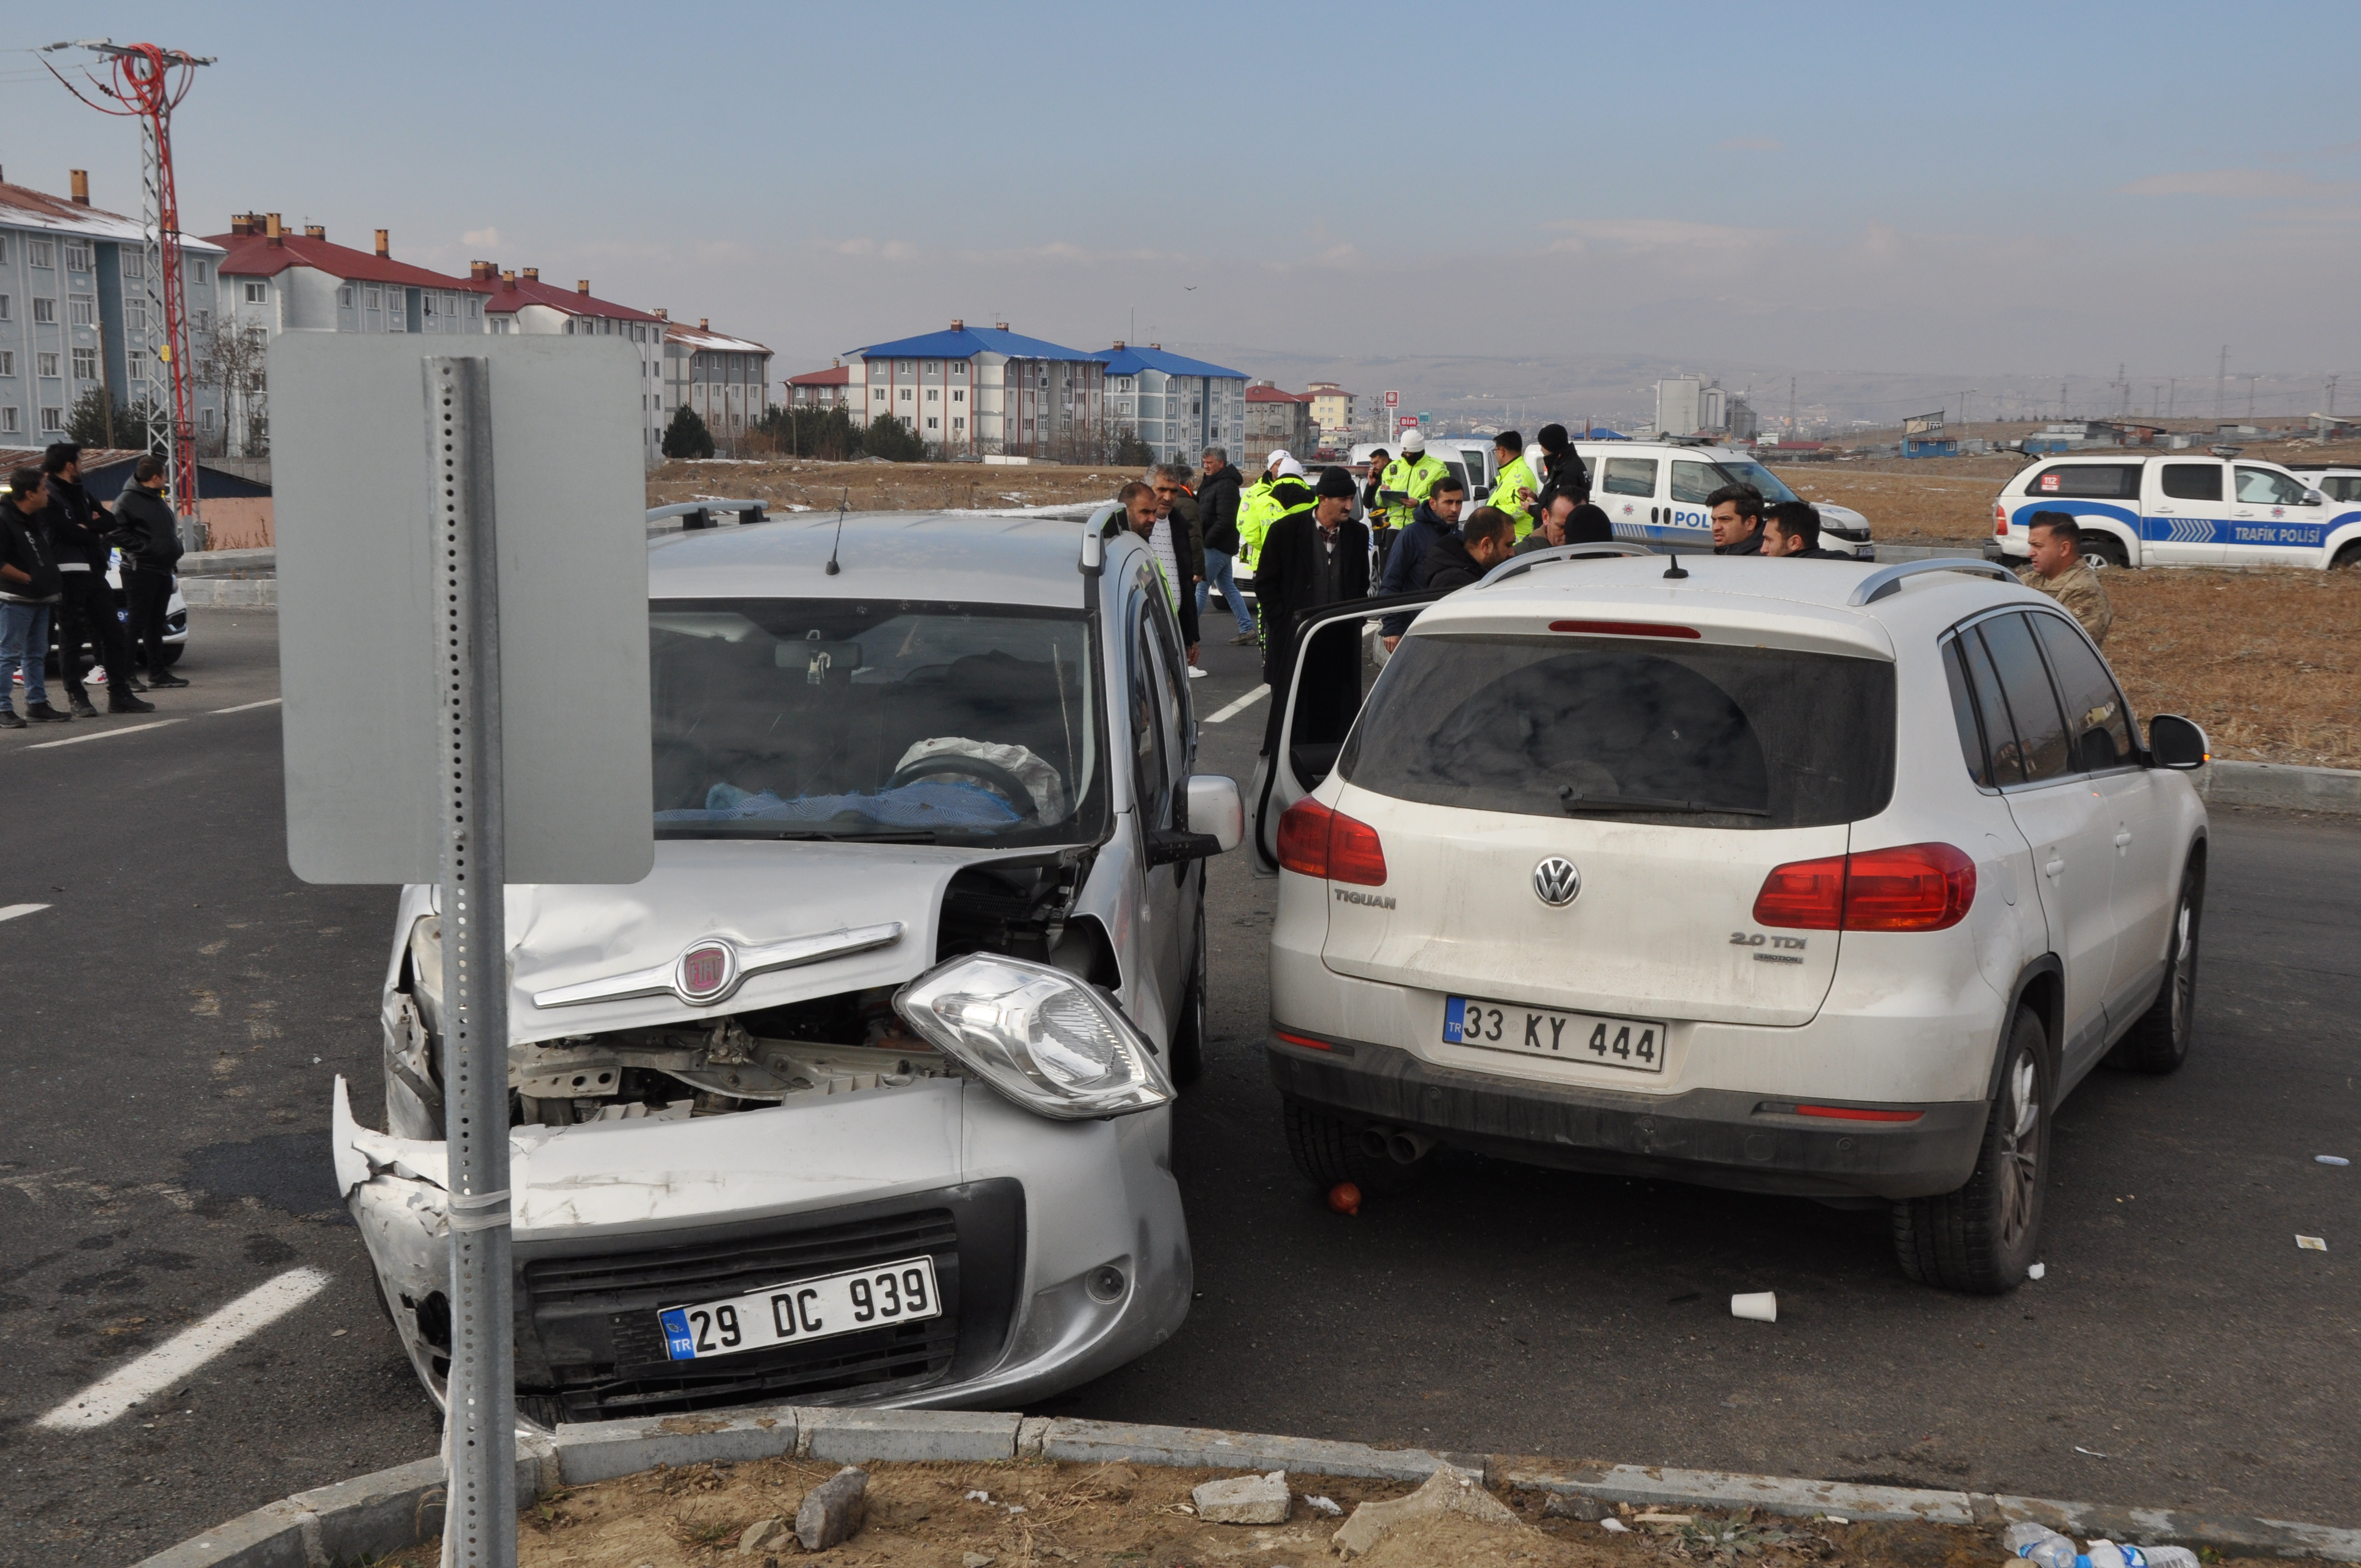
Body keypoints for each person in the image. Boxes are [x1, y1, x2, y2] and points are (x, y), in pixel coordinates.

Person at [42, 444, 151, 715]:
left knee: (114, 634)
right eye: (79, 461)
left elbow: (110, 520)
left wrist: (88, 528)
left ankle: (119, 694)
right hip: (67, 576)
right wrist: (92, 533)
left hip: (94, 573)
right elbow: (64, 532)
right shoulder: (50, 495)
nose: (82, 466)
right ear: (69, 465)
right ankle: (78, 698)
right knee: (72, 638)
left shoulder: (80, 492)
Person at [1255, 466, 1368, 696]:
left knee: (1335, 721)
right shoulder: (1284, 531)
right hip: (1295, 642)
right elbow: (1266, 584)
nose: (1349, 506)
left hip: (1340, 647)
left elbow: (1361, 584)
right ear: (1323, 500)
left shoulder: (1358, 534)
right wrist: (1284, 624)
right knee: (1292, 719)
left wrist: (1356, 623)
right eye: (1343, 499)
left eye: (1352, 498)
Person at [1104, 480, 1200, 664]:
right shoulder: (1109, 549)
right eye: (1145, 512)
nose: (1153, 519)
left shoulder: (1160, 538)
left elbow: (1186, 588)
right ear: (1124, 511)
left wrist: (1189, 637)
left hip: (1162, 636)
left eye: (1154, 512)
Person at [1, 469, 69, 726]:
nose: (48, 493)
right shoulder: (5, 518)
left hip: (41, 599)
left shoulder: (32, 517)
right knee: (8, 655)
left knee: (36, 654)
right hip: (15, 599)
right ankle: (3, 708)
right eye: (44, 489)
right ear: (29, 494)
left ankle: (37, 704)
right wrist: (29, 579)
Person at [113, 454, 187, 687]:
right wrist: (145, 549)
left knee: (155, 623)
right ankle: (125, 675)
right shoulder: (127, 500)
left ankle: (157, 673)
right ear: (155, 477)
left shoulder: (156, 499)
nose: (167, 480)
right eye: (165, 475)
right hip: (140, 570)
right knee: (136, 623)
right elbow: (114, 531)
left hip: (162, 569)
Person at [1376, 473, 1466, 649]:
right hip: (1418, 630)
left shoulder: (1462, 538)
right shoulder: (1412, 535)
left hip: (1452, 631)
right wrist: (1392, 629)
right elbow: (1391, 582)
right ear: (1433, 504)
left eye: (1459, 502)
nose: (1455, 509)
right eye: (1448, 502)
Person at [2019, 511, 2114, 645]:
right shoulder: (2030, 579)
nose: (2030, 553)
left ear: (2064, 549)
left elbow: (2065, 648)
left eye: (2038, 546)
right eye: (2031, 545)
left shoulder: (2086, 592)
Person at [1150, 464, 1206, 674]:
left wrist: (1190, 637)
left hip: (1174, 625)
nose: (1167, 497)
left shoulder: (1180, 526)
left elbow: (1186, 586)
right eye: (1161, 490)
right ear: (1149, 489)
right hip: (1145, 625)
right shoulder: (1134, 527)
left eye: (1173, 491)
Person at [1196, 447, 1254, 645]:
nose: (1206, 466)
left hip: (1217, 547)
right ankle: (1247, 628)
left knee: (1200, 586)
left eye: (1210, 462)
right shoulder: (1211, 482)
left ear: (1221, 463)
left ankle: (1184, 633)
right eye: (1204, 462)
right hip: (1219, 546)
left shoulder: (1226, 486)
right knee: (1227, 586)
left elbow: (1226, 520)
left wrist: (1206, 541)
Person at [1415, 505, 1519, 592]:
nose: (1512, 553)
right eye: (1508, 545)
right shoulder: (1453, 583)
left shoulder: (1478, 573)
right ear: (1486, 545)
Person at [1375, 429, 1450, 538]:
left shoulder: (1437, 468)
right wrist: (1384, 493)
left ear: (1420, 451)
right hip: (1394, 527)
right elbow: (1379, 501)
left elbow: (1443, 498)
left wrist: (1418, 503)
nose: (1408, 455)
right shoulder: (1394, 467)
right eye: (1405, 453)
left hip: (1422, 526)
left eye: (1411, 453)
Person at [1511, 488, 1615, 554]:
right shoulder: (1523, 557)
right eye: (1561, 527)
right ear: (1546, 517)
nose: (1568, 536)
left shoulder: (1603, 552)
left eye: (1576, 528)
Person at [1489, 429, 1541, 538]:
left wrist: (1491, 512)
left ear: (1502, 452)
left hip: (1517, 540)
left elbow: (1519, 509)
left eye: (1496, 451)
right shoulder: (1512, 471)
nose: (1496, 455)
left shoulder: (1518, 475)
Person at [1760, 500, 1853, 560]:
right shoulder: (1842, 568)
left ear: (1795, 543)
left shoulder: (1792, 580)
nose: (1763, 549)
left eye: (1769, 540)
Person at [1531, 423, 1590, 515]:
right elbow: (1552, 497)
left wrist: (1532, 508)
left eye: (1542, 445)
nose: (1541, 449)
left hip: (1558, 528)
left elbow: (1557, 512)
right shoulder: (1568, 462)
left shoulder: (1566, 471)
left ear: (1550, 446)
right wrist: (1535, 498)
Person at [1707, 483, 1767, 555]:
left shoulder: (1765, 560)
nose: (1716, 528)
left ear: (1750, 523)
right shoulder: (1728, 551)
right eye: (1714, 520)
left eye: (1725, 519)